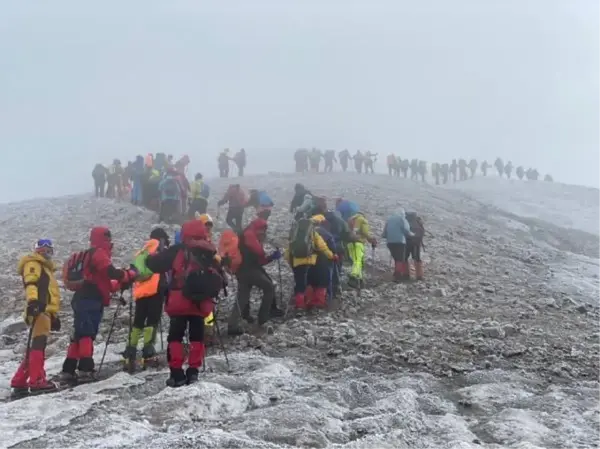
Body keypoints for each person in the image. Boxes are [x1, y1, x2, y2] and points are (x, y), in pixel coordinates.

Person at [146, 220, 226, 387]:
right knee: (197, 336)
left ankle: (177, 373)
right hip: (202, 302)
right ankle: (193, 372)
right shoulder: (210, 251)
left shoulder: (178, 250)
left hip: (179, 299)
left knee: (176, 336)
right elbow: (221, 274)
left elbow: (153, 265)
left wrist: (153, 254)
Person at [61, 227, 137, 382]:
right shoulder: (99, 253)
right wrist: (128, 275)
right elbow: (110, 273)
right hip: (91, 300)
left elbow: (104, 282)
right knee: (87, 334)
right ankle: (85, 368)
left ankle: (69, 369)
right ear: (105, 238)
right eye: (108, 238)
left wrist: (119, 283)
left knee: (79, 334)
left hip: (81, 298)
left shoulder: (87, 255)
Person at [11, 239, 61, 394]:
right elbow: (31, 283)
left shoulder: (45, 268)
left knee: (34, 348)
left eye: (48, 250)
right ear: (37, 250)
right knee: (38, 346)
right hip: (39, 309)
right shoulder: (34, 264)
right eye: (42, 249)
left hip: (43, 310)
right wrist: (33, 302)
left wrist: (53, 314)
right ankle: (37, 381)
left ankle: (19, 381)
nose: (45, 252)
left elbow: (47, 292)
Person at [123, 228, 170, 372]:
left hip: (140, 292)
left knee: (137, 323)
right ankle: (148, 355)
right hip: (155, 290)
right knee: (152, 322)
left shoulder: (142, 251)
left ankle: (129, 355)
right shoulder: (160, 248)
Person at [228, 217, 283, 335]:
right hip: (249, 270)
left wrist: (271, 258)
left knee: (242, 296)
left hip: (243, 270)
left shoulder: (248, 234)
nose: (263, 233)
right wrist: (268, 252)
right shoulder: (249, 234)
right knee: (268, 287)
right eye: (263, 230)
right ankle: (263, 319)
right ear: (259, 228)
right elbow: (259, 253)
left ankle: (232, 325)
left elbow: (259, 260)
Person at [285, 215, 337, 309]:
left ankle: (300, 304)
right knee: (317, 279)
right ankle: (318, 302)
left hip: (297, 262)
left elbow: (288, 251)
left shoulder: (295, 234)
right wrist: (332, 256)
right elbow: (323, 247)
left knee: (300, 283)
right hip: (309, 261)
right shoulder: (313, 233)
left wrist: (291, 263)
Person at [340, 201, 377, 288]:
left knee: (356, 261)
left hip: (350, 243)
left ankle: (359, 279)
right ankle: (353, 276)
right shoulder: (362, 220)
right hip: (358, 243)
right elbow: (365, 232)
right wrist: (371, 239)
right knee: (358, 261)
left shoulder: (350, 220)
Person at [382, 209, 414, 282]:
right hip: (400, 242)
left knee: (396, 258)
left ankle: (396, 273)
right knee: (400, 259)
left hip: (390, 242)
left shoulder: (389, 219)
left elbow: (384, 232)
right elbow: (406, 230)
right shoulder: (402, 219)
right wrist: (412, 235)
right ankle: (398, 275)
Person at [405, 212, 425, 280]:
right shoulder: (418, 222)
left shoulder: (405, 221)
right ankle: (419, 275)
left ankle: (406, 274)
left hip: (407, 243)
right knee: (417, 259)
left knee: (404, 258)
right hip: (416, 243)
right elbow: (422, 232)